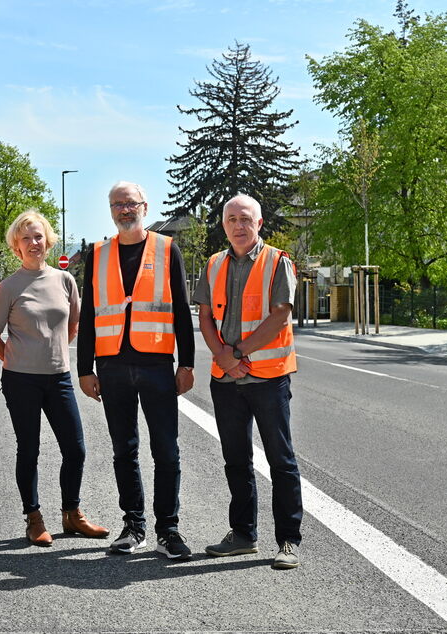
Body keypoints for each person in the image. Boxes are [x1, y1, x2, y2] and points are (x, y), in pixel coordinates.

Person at [77, 181, 196, 560]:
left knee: (166, 450)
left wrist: (188, 363)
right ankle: (134, 526)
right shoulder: (97, 254)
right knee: (123, 450)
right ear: (110, 210)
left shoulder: (166, 249)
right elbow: (89, 316)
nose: (124, 210)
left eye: (130, 203)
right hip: (111, 366)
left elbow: (180, 311)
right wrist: (84, 368)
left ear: (145, 206)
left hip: (157, 365)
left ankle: (168, 530)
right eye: (117, 204)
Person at [0, 210, 109, 547]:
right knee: (29, 449)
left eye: (38, 236)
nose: (34, 243)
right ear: (17, 246)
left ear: (48, 241)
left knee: (76, 449)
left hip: (59, 378)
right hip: (21, 380)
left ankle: (72, 514)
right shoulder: (9, 287)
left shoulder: (65, 280)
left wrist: (55, 352)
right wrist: (14, 358)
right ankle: (34, 517)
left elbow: (74, 325)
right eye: (26, 238)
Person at [194, 194, 303, 569]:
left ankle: (289, 540)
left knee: (281, 459)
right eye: (231, 219)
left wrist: (236, 353)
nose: (238, 225)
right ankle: (243, 535)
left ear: (259, 224)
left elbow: (280, 317)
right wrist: (223, 356)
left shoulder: (278, 262)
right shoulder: (213, 264)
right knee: (235, 459)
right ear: (224, 225)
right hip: (226, 380)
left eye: (246, 219)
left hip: (268, 378)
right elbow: (205, 316)